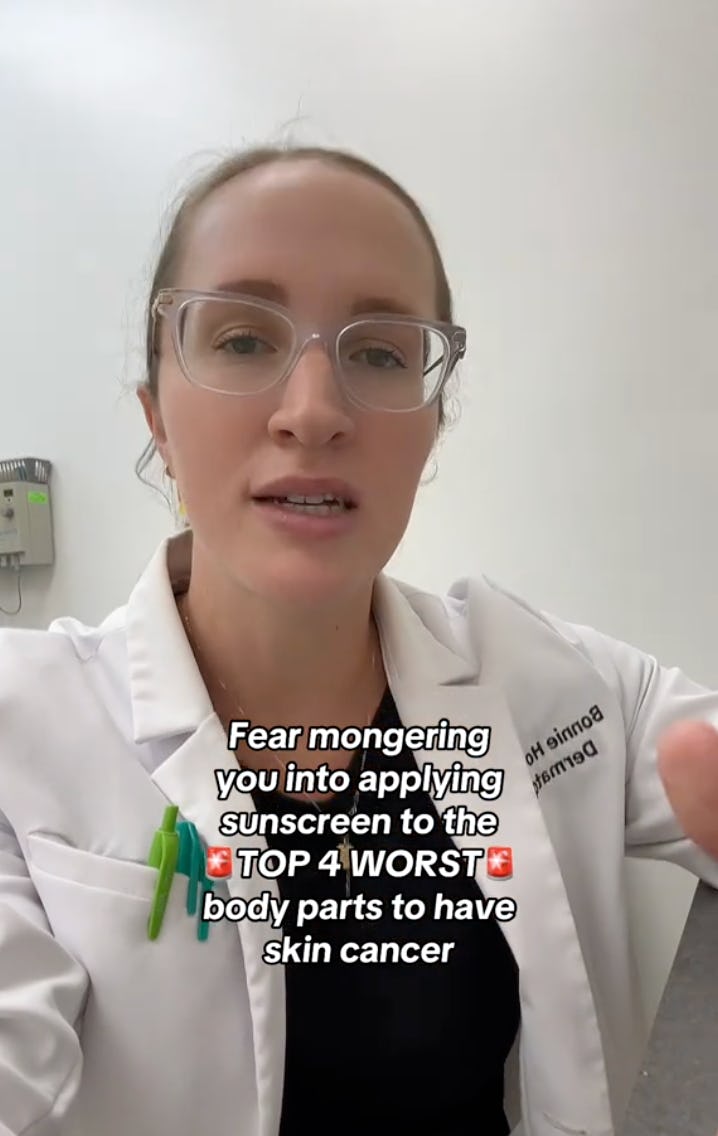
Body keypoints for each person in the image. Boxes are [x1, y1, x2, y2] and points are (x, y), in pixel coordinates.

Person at [0, 143, 717, 1136]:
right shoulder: (20, 725)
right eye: (244, 339)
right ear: (156, 415)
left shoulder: (555, 686)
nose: (313, 412)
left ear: (429, 427)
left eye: (379, 351)